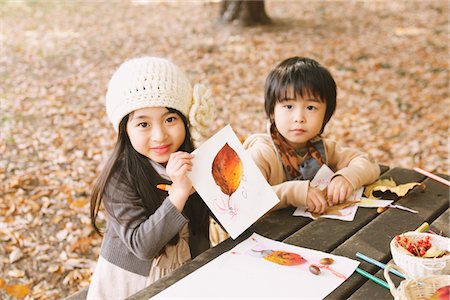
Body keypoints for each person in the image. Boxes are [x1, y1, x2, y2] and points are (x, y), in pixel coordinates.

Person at [88, 57, 216, 299]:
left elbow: (229, 215)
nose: (160, 136)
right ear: (125, 129)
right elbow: (142, 246)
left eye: (170, 119)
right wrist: (178, 194)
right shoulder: (119, 178)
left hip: (187, 275)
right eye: (143, 124)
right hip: (132, 284)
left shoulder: (194, 162)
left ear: (185, 121)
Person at [243, 56, 380, 214]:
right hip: (246, 237)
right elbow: (246, 203)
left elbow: (369, 163)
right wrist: (295, 193)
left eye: (310, 108)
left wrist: (347, 178)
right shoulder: (262, 154)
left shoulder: (320, 148)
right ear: (272, 110)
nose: (299, 118)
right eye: (288, 106)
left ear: (326, 115)